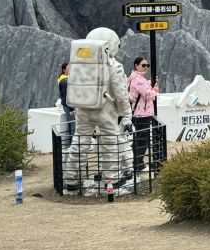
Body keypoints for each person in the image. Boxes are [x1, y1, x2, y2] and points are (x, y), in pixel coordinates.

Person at [63, 27, 132, 191]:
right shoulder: (114, 65)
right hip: (105, 110)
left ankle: (71, 179)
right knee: (110, 143)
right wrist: (126, 115)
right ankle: (112, 180)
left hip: (82, 109)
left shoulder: (78, 61)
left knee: (79, 143)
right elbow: (121, 95)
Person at [127, 56, 159, 172]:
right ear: (136, 65)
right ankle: (138, 164)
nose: (146, 67)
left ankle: (135, 162)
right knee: (142, 140)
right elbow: (147, 94)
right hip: (142, 113)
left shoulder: (135, 78)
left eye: (147, 65)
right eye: (143, 65)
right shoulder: (138, 79)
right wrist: (155, 90)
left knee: (139, 139)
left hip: (139, 113)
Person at [57, 62, 75, 148]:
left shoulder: (64, 79)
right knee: (73, 125)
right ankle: (72, 145)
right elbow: (67, 96)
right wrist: (74, 108)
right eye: (69, 68)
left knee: (70, 124)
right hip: (69, 105)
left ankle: (69, 144)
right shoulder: (65, 81)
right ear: (64, 70)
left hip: (67, 105)